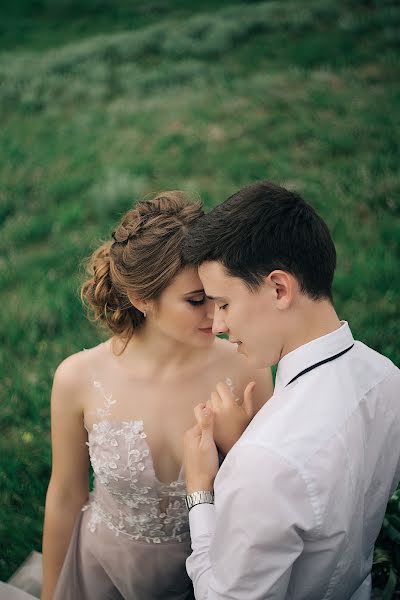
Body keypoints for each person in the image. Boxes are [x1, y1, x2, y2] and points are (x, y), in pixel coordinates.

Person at [41, 191, 273, 600]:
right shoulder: (78, 379)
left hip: (207, 575)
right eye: (196, 302)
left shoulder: (246, 366)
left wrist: (239, 442)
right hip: (103, 575)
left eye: (219, 299)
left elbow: (268, 495)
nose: (217, 318)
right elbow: (65, 495)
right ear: (141, 299)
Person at [182, 181, 400, 600]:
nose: (219, 325)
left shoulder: (262, 464)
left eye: (224, 303)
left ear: (279, 289)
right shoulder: (386, 377)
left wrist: (201, 492)